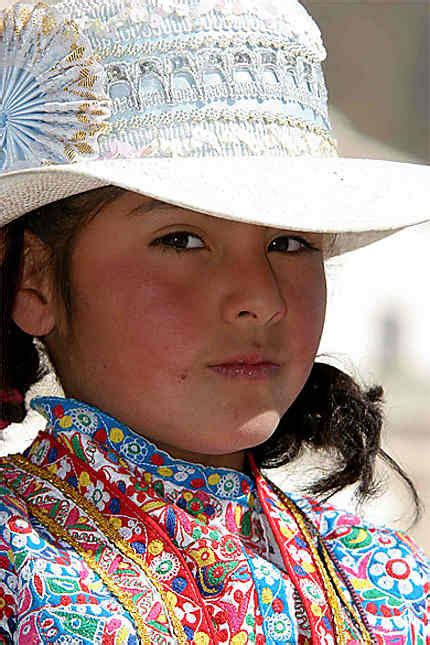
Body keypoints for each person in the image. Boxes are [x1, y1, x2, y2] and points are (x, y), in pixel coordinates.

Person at [0, 0, 428, 642]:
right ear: (35, 277)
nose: (260, 298)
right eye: (181, 240)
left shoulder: (382, 585)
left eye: (290, 243)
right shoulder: (17, 567)